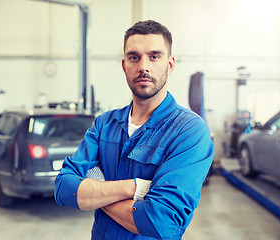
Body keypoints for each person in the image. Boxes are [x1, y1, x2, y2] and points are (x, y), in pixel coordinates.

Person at [55, 20, 214, 239]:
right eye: (134, 57)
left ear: (170, 64)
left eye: (154, 56)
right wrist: (136, 188)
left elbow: (162, 222)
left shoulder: (189, 131)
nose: (143, 67)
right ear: (124, 65)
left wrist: (98, 193)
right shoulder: (104, 124)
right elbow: (64, 188)